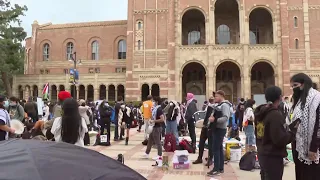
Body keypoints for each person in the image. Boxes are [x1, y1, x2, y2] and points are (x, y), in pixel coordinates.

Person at [255, 86, 295, 180]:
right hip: (273, 156)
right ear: (280, 97)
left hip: (263, 153)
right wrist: (292, 132)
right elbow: (280, 139)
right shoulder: (274, 114)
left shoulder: (260, 112)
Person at [290, 73, 320, 180]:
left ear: (304, 84)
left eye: (295, 85)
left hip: (312, 148)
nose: (294, 88)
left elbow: (318, 125)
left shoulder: (316, 99)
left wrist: (313, 147)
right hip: (299, 147)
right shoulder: (299, 101)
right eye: (292, 86)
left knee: (311, 174)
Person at [207, 90, 232, 177]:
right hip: (217, 128)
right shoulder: (220, 105)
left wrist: (215, 120)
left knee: (215, 149)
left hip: (220, 129)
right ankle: (220, 168)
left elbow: (226, 118)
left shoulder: (225, 105)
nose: (215, 98)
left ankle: (216, 169)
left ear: (221, 96)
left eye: (217, 96)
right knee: (219, 148)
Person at [193, 96, 215, 166]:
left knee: (210, 144)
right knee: (201, 142)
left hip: (210, 127)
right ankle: (200, 158)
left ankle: (210, 159)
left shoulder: (215, 107)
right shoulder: (208, 106)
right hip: (205, 126)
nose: (211, 99)